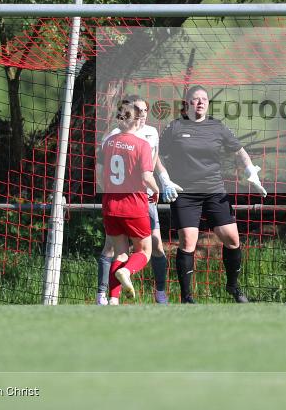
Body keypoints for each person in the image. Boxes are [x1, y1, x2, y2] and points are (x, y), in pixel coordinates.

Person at [159, 85, 267, 303]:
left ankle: (233, 286)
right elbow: (157, 154)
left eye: (204, 99)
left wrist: (250, 171)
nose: (200, 102)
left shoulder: (217, 127)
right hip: (185, 193)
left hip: (214, 190)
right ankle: (187, 297)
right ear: (187, 103)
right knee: (189, 241)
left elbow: (239, 150)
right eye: (196, 99)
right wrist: (164, 179)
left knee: (232, 239)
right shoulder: (175, 127)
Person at [96, 94, 182, 305]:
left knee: (121, 252)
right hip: (136, 203)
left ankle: (113, 299)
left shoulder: (111, 142)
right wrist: (158, 191)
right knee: (145, 250)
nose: (143, 115)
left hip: (111, 204)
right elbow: (146, 175)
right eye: (139, 112)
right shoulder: (139, 143)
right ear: (133, 117)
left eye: (145, 111)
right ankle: (124, 274)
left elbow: (100, 174)